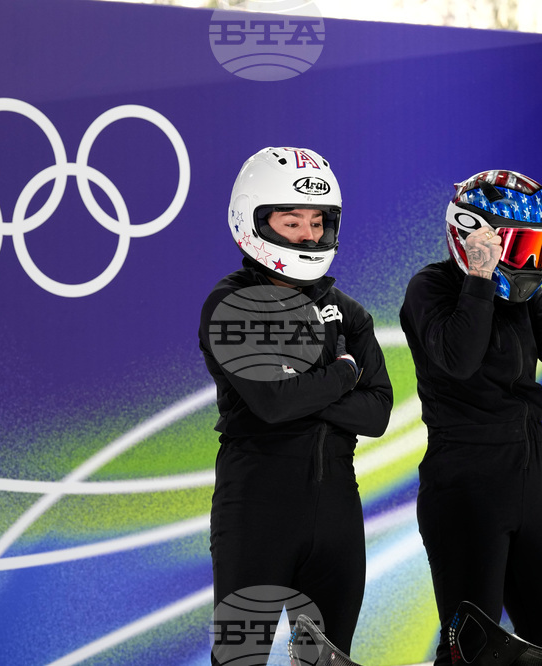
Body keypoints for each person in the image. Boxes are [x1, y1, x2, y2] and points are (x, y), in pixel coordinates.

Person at [199, 147, 393, 664]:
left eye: (318, 220)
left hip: (337, 515)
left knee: (330, 659)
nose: (309, 234)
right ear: (255, 220)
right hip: (256, 512)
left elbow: (376, 415)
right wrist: (343, 373)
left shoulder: (349, 310)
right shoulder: (230, 302)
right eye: (292, 221)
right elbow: (272, 405)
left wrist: (305, 384)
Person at [398, 170, 542, 665]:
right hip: (464, 480)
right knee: (471, 649)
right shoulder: (431, 287)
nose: (527, 262)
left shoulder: (529, 298)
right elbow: (458, 359)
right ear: (472, 235)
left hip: (530, 476)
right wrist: (480, 278)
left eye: (536, 248)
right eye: (516, 246)